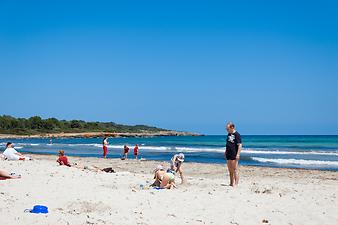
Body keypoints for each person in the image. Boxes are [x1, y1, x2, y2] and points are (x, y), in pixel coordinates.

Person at [225, 122, 242, 187]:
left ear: (232, 127)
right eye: (226, 129)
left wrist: (238, 154)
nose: (227, 130)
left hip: (234, 154)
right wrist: (225, 151)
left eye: (228, 129)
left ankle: (236, 183)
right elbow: (228, 144)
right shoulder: (229, 134)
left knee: (235, 169)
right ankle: (231, 183)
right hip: (228, 153)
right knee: (230, 170)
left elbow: (240, 145)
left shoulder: (237, 134)